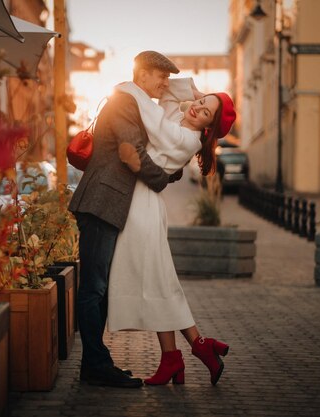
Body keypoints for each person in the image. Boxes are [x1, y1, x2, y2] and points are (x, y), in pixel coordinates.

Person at [107, 51, 236, 386]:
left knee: (157, 281)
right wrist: (195, 93)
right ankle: (182, 353)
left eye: (205, 112)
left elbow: (151, 111)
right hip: (140, 203)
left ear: (208, 127)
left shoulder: (184, 137)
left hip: (143, 208)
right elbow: (167, 93)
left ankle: (187, 351)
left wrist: (127, 87)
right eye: (201, 102)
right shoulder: (177, 120)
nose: (197, 108)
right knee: (160, 281)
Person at [68, 51, 184, 388]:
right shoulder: (123, 102)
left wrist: (170, 171)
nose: (165, 84)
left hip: (109, 204)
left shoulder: (135, 104)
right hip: (101, 202)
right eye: (161, 77)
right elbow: (132, 153)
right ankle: (94, 365)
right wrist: (162, 180)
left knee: (98, 288)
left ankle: (96, 363)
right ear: (144, 74)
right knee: (93, 288)